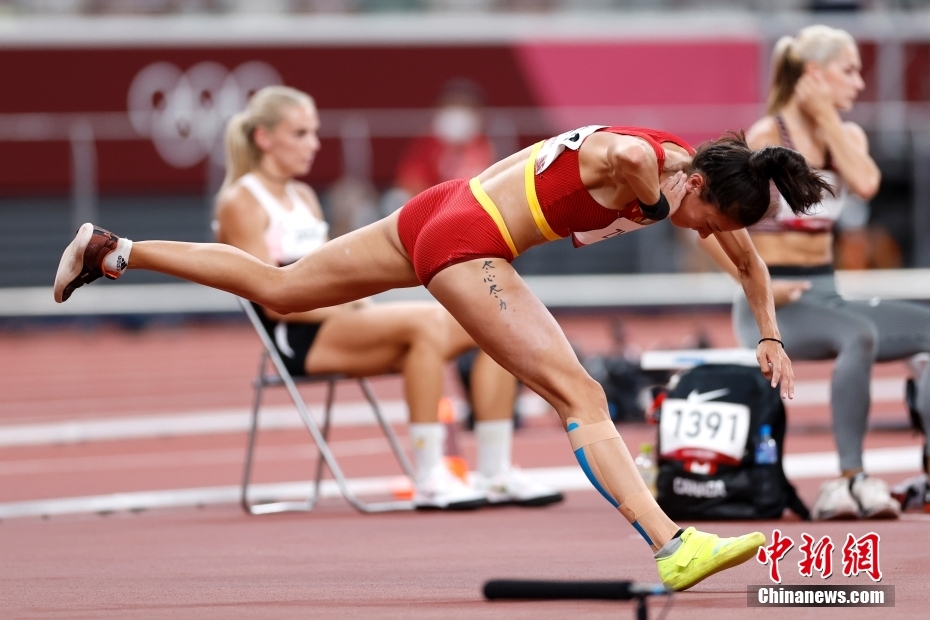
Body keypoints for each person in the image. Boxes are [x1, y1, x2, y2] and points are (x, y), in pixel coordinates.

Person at [54, 115, 829, 591]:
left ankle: (116, 251)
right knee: (582, 397)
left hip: (440, 207)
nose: (698, 232)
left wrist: (768, 334)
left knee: (279, 289)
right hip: (471, 239)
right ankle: (672, 544)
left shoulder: (697, 184)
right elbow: (618, 151)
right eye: (699, 217)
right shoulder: (652, 164)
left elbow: (751, 265)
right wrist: (656, 196)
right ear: (694, 181)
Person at [699, 25, 930, 520]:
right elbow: (702, 221)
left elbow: (866, 182)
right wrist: (756, 283)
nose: (860, 83)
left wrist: (824, 114)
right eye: (849, 71)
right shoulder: (767, 137)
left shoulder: (846, 136)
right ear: (814, 75)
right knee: (860, 334)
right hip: (780, 303)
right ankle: (850, 479)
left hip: (830, 295)